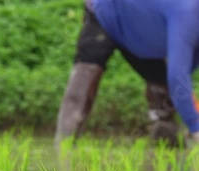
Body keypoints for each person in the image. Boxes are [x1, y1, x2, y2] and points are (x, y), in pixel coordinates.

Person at [55, 0, 199, 147]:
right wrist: (195, 126)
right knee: (86, 72)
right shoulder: (188, 12)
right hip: (105, 13)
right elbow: (177, 75)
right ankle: (63, 148)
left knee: (161, 85)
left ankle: (165, 149)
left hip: (142, 34)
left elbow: (182, 75)